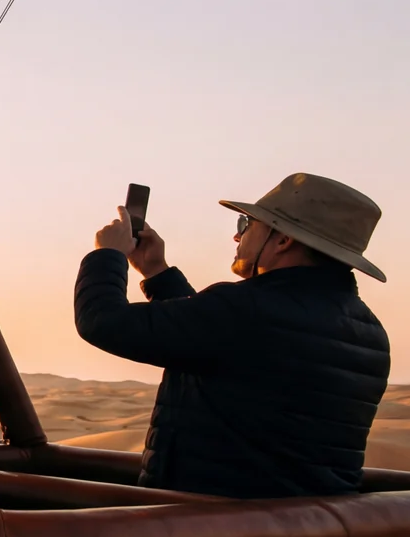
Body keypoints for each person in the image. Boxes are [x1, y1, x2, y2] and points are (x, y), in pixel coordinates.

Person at [74, 173, 390, 497]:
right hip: (307, 534)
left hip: (210, 532)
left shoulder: (248, 311)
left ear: (283, 240)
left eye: (247, 224)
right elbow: (220, 344)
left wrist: (107, 255)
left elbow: (101, 321)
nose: (237, 238)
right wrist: (157, 272)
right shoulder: (369, 333)